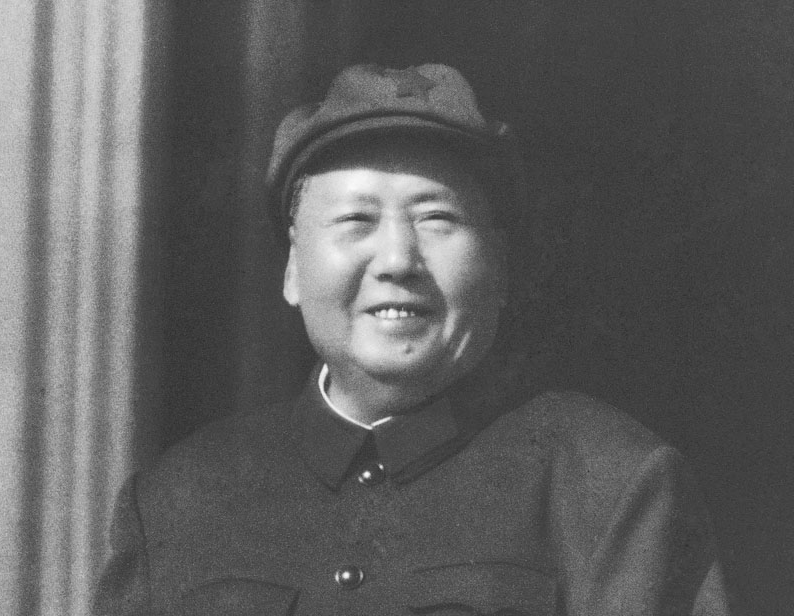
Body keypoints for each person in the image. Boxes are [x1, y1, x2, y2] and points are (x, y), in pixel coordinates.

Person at [95, 64, 732, 615]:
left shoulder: (611, 484)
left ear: (500, 269)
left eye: (436, 218)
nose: (398, 259)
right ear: (292, 269)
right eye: (356, 221)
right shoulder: (180, 501)